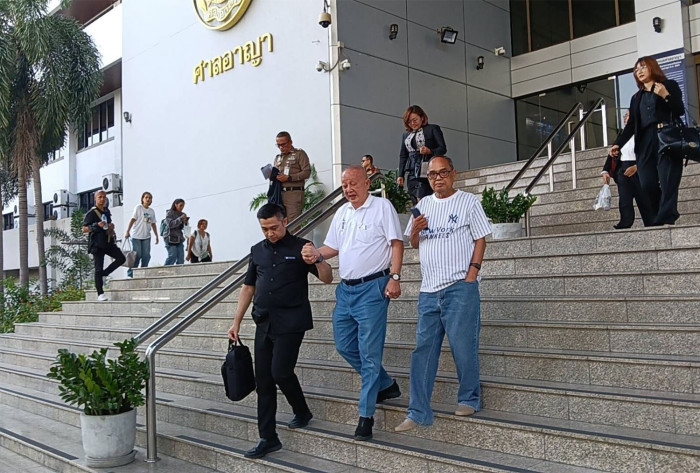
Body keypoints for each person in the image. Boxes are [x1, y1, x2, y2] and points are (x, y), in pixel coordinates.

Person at [301, 166, 403, 441]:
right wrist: (314, 254)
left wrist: (395, 277)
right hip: (346, 290)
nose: (348, 189)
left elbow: (396, 244)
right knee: (344, 344)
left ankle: (365, 416)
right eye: (344, 185)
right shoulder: (343, 212)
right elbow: (333, 248)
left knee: (369, 354)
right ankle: (385, 384)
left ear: (367, 183)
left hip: (374, 288)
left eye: (353, 183)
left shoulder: (382, 207)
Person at [228, 203, 332, 459]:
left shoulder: (302, 247)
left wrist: (318, 258)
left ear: (285, 221)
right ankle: (268, 438)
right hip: (264, 321)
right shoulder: (257, 251)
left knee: (280, 372)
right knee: (263, 382)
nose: (269, 233)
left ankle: (302, 410)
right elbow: (248, 287)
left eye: (274, 227)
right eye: (264, 229)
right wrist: (236, 322)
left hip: (292, 322)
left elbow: (327, 278)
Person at [394, 156, 491, 433]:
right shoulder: (423, 204)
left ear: (453, 174)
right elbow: (414, 243)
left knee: (463, 347)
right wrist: (415, 231)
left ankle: (469, 398)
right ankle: (418, 411)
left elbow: (481, 238)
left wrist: (472, 274)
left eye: (443, 173)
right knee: (422, 352)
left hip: (459, 287)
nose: (438, 178)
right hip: (429, 290)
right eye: (433, 174)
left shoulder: (469, 202)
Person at [610, 56, 685, 226]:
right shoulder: (636, 97)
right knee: (647, 183)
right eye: (636, 70)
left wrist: (665, 95)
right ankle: (661, 213)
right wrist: (617, 144)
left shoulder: (669, 85)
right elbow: (631, 125)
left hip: (666, 137)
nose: (639, 71)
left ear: (652, 67)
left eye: (643, 67)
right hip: (645, 141)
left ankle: (666, 217)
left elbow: (679, 110)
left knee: (668, 181)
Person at [603, 111, 653, 229]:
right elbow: (611, 153)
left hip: (639, 168)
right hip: (622, 169)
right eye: (626, 117)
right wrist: (605, 171)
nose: (626, 119)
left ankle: (651, 222)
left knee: (644, 198)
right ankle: (625, 222)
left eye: (629, 117)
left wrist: (637, 167)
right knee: (624, 198)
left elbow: (651, 154)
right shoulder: (622, 136)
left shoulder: (645, 134)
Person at [397, 105, 447, 205]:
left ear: (422, 117)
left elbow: (443, 149)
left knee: (422, 197)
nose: (412, 123)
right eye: (409, 122)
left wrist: (430, 151)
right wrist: (400, 175)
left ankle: (425, 213)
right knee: (414, 199)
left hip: (427, 169)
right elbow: (403, 155)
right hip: (412, 171)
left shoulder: (432, 129)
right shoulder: (406, 135)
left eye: (414, 120)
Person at [82, 190, 126, 302]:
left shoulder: (106, 211)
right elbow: (84, 229)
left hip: (108, 241)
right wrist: (96, 225)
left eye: (104, 197)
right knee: (98, 267)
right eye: (100, 197)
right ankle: (100, 293)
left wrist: (111, 226)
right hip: (97, 244)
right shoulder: (91, 213)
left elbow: (108, 224)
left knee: (121, 258)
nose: (102, 199)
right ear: (95, 199)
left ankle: (104, 273)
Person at [274, 131, 311, 222]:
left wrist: (289, 177)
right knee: (280, 223)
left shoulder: (299, 154)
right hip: (279, 194)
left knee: (293, 224)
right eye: (278, 145)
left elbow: (306, 172)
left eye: (283, 144)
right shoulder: (278, 157)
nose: (281, 147)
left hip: (293, 194)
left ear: (290, 142)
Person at [124, 191, 159, 277]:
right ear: (142, 199)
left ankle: (144, 271)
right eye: (146, 197)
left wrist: (156, 235)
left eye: (150, 198)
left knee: (146, 255)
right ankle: (131, 273)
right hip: (136, 236)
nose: (148, 199)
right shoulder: (138, 208)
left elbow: (153, 224)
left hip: (146, 236)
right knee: (137, 255)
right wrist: (127, 231)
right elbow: (133, 219)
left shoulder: (151, 211)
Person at [164, 199, 189, 265]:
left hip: (179, 238)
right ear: (175, 205)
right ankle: (165, 270)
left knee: (181, 258)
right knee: (172, 256)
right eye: (181, 205)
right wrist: (180, 219)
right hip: (170, 237)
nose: (182, 207)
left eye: (183, 206)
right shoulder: (169, 213)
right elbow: (170, 224)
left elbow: (182, 228)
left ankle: (179, 271)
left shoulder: (182, 214)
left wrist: (185, 222)